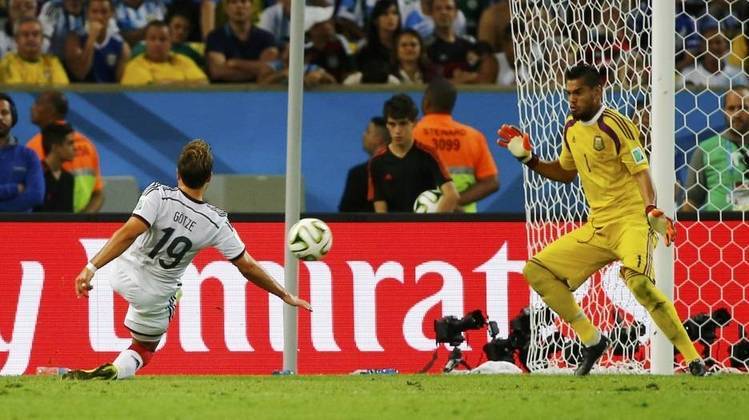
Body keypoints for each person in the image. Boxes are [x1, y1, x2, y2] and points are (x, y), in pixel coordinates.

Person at [496, 63, 705, 376]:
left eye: (578, 92)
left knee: (639, 285)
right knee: (536, 271)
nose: (572, 99)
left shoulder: (616, 126)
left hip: (632, 220)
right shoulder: (571, 127)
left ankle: (693, 359)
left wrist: (650, 210)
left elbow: (642, 173)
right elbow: (565, 173)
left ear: (597, 90)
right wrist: (531, 160)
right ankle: (592, 340)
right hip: (598, 226)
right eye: (569, 93)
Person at [63, 139, 312, 380]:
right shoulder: (216, 222)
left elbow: (127, 233)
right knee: (145, 349)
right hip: (155, 293)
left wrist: (91, 267)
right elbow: (247, 266)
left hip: (120, 273)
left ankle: (164, 301)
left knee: (170, 284)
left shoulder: (157, 195)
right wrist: (284, 294)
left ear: (177, 173)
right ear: (209, 178)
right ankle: (116, 371)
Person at [414, 78, 498, 212]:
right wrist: (453, 202)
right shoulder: (473, 136)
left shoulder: (412, 134)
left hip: (420, 217)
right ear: (451, 105)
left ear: (426, 102)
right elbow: (491, 183)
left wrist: (439, 205)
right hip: (463, 220)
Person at [368, 93, 459, 212]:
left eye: (403, 123)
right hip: (394, 229)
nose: (397, 131)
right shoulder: (377, 162)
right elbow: (380, 210)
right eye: (392, 124)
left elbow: (452, 195)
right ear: (387, 125)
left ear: (414, 123)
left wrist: (432, 226)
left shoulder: (429, 155)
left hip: (424, 229)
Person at [26, 91, 105, 213]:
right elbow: (98, 195)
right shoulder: (88, 144)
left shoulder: (34, 147)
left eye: (38, 104)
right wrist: (82, 222)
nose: (32, 107)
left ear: (51, 110)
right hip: (74, 224)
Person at [683, 86, 749, 212]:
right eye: (731, 108)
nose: (736, 114)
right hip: (718, 227)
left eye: (744, 108)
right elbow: (692, 199)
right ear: (724, 111)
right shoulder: (707, 148)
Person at [205, 0, 278, 83]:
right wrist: (258, 71)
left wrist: (235, 63)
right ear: (226, 8)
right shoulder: (214, 37)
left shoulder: (267, 37)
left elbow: (270, 68)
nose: (239, 6)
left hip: (260, 92)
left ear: (252, 7)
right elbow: (218, 72)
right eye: (234, 2)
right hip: (223, 92)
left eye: (243, 1)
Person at [426, 0, 496, 84]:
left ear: (456, 13)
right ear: (432, 14)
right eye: (438, 8)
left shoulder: (469, 46)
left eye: (448, 8)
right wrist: (459, 80)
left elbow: (481, 78)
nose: (443, 12)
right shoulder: (426, 48)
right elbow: (428, 84)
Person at [121, 20, 208, 85]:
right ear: (145, 42)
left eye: (162, 39)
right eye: (152, 39)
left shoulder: (183, 60)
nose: (157, 43)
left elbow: (204, 84)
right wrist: (186, 84)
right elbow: (150, 91)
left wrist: (166, 83)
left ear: (170, 43)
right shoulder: (135, 66)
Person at [65, 0, 131, 83]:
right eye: (94, 12)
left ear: (111, 14)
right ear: (87, 14)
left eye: (104, 12)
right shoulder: (74, 39)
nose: (99, 17)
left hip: (109, 94)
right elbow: (81, 73)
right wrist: (91, 39)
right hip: (80, 94)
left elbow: (120, 84)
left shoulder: (121, 46)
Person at [0, 93, 45, 213]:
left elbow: (36, 196)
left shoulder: (28, 156)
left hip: (19, 229)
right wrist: (14, 189)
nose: (0, 117)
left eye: (4, 113)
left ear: (13, 116)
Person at [339, 116, 389, 212]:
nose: (363, 135)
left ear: (379, 139)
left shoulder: (358, 175)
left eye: (368, 131)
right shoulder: (402, 168)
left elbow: (345, 213)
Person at [0, 17, 70, 86]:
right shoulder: (8, 62)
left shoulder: (52, 62)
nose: (31, 38)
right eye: (25, 34)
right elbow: (18, 93)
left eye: (35, 34)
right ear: (16, 39)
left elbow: (62, 90)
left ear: (42, 39)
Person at [35, 122, 76, 212]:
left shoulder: (68, 179)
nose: (75, 148)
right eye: (70, 143)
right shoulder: (34, 176)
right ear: (55, 147)